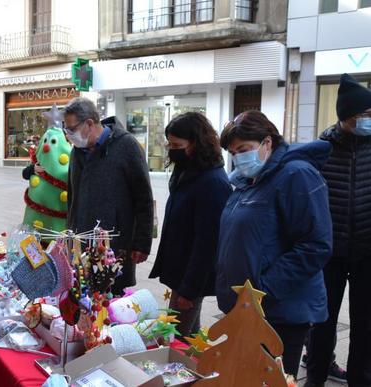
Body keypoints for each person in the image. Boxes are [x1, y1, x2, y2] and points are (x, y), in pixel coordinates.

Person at [216, 110, 333, 377]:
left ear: (267, 142)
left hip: (279, 312)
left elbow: (315, 245)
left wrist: (262, 290)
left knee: (272, 379)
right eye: (233, 153)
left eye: (243, 149)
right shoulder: (248, 181)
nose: (238, 158)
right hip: (247, 307)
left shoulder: (297, 175)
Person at [305, 73, 371, 387]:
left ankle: (361, 378)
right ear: (346, 117)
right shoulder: (321, 149)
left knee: (366, 323)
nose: (369, 120)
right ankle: (316, 376)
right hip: (328, 252)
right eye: (364, 116)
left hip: (368, 250)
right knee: (321, 320)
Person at [149, 112, 231, 338]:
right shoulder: (187, 169)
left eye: (176, 144)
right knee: (189, 335)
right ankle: (197, 366)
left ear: (196, 144)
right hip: (180, 272)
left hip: (190, 278)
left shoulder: (213, 182)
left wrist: (189, 290)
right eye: (169, 143)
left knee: (175, 338)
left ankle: (188, 370)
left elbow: (207, 243)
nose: (170, 148)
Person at [64, 97, 154, 295]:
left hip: (115, 246)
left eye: (71, 129)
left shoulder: (126, 146)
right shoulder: (76, 152)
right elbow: (73, 198)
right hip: (80, 245)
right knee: (81, 301)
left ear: (89, 123)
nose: (68, 135)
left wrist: (142, 242)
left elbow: (144, 198)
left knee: (110, 302)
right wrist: (69, 234)